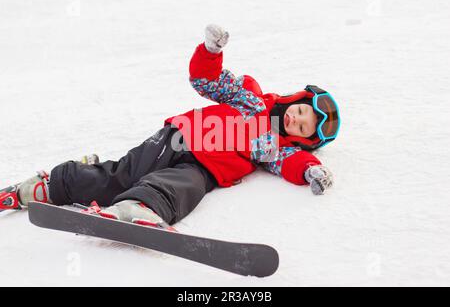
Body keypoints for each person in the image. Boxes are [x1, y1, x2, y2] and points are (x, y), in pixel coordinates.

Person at [0, 25, 340, 231]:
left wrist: (312, 171)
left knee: (181, 187)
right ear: (291, 100)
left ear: (302, 139)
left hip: (205, 168)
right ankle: (52, 185)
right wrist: (211, 52)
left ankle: (138, 210)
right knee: (120, 176)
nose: (295, 118)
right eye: (299, 110)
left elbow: (292, 163)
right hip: (177, 138)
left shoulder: (277, 147)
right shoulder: (250, 98)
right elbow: (207, 80)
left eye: (303, 126)